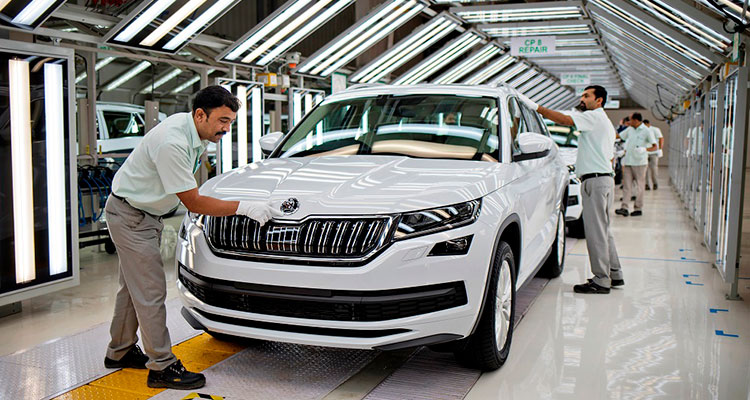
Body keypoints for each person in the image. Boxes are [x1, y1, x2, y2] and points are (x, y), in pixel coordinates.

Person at [103, 86, 282, 389]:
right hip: (132, 218)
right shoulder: (173, 142)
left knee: (132, 289)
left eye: (230, 122)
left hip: (142, 214)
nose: (226, 129)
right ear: (200, 115)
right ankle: (162, 366)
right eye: (222, 121)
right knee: (150, 292)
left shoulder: (192, 132)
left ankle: (118, 352)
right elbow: (195, 202)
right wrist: (245, 207)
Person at [517, 86, 622, 294]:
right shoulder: (603, 121)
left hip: (595, 181)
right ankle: (615, 273)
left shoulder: (593, 117)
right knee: (604, 230)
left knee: (595, 233)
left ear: (599, 100)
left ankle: (601, 280)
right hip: (603, 180)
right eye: (582, 95)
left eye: (586, 96)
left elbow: (564, 120)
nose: (582, 99)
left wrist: (534, 107)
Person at [616, 113, 657, 216]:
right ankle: (624, 207)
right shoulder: (630, 129)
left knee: (639, 186)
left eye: (630, 120)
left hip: (640, 163)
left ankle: (638, 208)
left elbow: (654, 146)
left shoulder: (646, 131)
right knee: (627, 186)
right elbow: (619, 136)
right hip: (629, 162)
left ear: (636, 120)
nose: (629, 122)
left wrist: (645, 149)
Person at [643, 120, 663, 190]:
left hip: (654, 152)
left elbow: (661, 139)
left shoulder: (655, 129)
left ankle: (655, 183)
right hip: (645, 152)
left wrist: (660, 149)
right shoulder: (643, 130)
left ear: (648, 124)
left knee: (654, 169)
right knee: (645, 169)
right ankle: (646, 184)